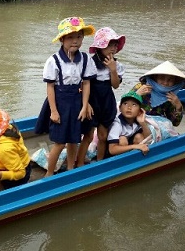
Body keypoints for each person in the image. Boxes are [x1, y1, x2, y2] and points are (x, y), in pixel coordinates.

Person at [35, 16, 97, 176]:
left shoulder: (85, 59)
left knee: (74, 138)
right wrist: (54, 111)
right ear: (62, 39)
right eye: (70, 37)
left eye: (79, 37)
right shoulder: (54, 61)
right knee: (60, 141)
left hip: (77, 102)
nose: (75, 41)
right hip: (60, 102)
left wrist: (85, 106)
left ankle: (71, 167)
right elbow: (50, 87)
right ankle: (49, 173)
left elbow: (86, 83)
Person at [76, 27, 126, 166]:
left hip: (106, 102)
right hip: (92, 101)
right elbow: (82, 85)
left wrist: (113, 70)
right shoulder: (89, 63)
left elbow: (115, 85)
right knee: (88, 135)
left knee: (103, 136)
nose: (113, 48)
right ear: (100, 46)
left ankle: (99, 162)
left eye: (115, 45)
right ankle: (79, 164)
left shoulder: (117, 65)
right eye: (110, 44)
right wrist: (86, 104)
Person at [131, 61, 185, 126]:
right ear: (155, 78)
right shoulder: (141, 87)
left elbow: (175, 123)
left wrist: (178, 107)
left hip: (157, 126)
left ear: (174, 82)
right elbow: (124, 106)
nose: (165, 83)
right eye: (162, 78)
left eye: (170, 80)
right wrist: (137, 94)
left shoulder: (170, 96)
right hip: (136, 123)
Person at [107, 91, 151, 156]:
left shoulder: (138, 120)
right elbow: (112, 150)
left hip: (130, 144)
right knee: (122, 139)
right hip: (112, 152)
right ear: (120, 108)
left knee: (139, 137)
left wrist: (142, 123)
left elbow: (148, 138)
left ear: (140, 110)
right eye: (125, 104)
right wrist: (135, 146)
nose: (129, 108)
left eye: (134, 105)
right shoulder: (117, 123)